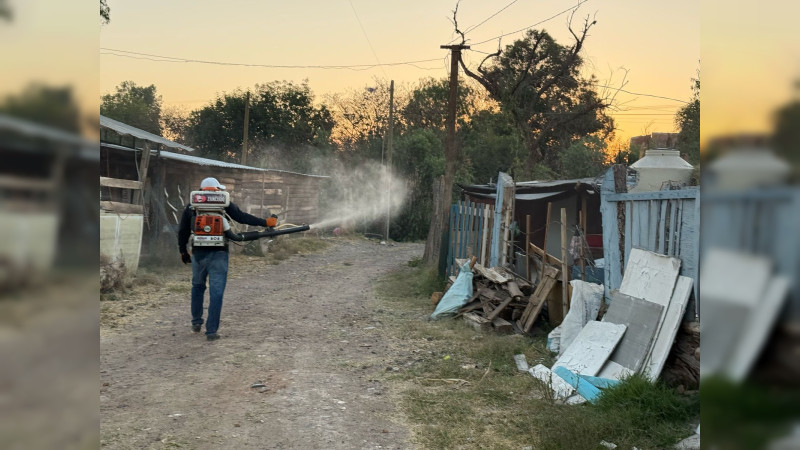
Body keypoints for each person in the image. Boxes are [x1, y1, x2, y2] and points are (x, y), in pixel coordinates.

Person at [177, 177, 276, 340]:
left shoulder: (192, 205)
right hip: (219, 253)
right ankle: (211, 331)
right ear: (217, 190)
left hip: (198, 253)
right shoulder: (224, 203)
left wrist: (183, 251)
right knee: (216, 292)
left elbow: (183, 231)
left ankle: (196, 322)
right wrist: (265, 222)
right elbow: (242, 217)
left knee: (197, 286)